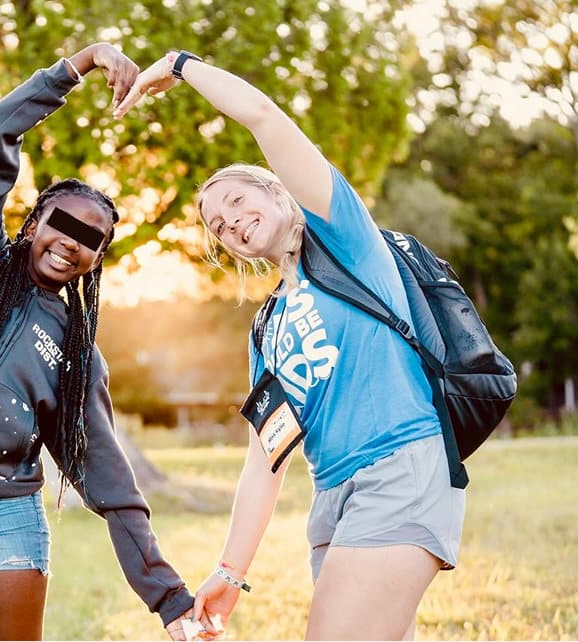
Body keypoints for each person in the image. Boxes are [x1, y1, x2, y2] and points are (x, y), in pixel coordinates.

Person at [114, 51, 466, 640]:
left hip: (400, 472)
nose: (229, 223)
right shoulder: (266, 329)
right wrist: (230, 569)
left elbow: (264, 117)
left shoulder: (343, 238)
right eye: (217, 226)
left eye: (235, 201)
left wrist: (179, 66)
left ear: (277, 194)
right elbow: (264, 460)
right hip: (333, 502)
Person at [0, 43, 200, 641]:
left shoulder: (76, 355)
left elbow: (110, 478)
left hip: (4, 515)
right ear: (34, 223)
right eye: (64, 223)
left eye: (92, 239)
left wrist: (168, 597)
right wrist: (77, 66)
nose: (72, 242)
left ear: (97, 259)